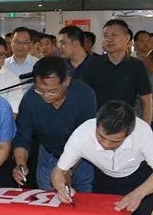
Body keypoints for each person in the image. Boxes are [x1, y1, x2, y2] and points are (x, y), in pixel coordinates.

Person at [12, 56, 97, 191]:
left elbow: (86, 139)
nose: (46, 95)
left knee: (83, 199)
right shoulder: (30, 99)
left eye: (53, 91)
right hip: (49, 156)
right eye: (40, 89)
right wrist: (21, 164)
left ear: (67, 81)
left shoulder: (84, 95)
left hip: (82, 159)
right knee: (48, 200)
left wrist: (67, 170)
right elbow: (22, 136)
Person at [83, 19, 153, 124]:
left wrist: (146, 127)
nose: (108, 39)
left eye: (114, 35)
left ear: (127, 38)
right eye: (105, 36)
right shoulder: (92, 64)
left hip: (127, 124)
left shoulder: (136, 66)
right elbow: (83, 97)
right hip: (98, 123)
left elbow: (146, 100)